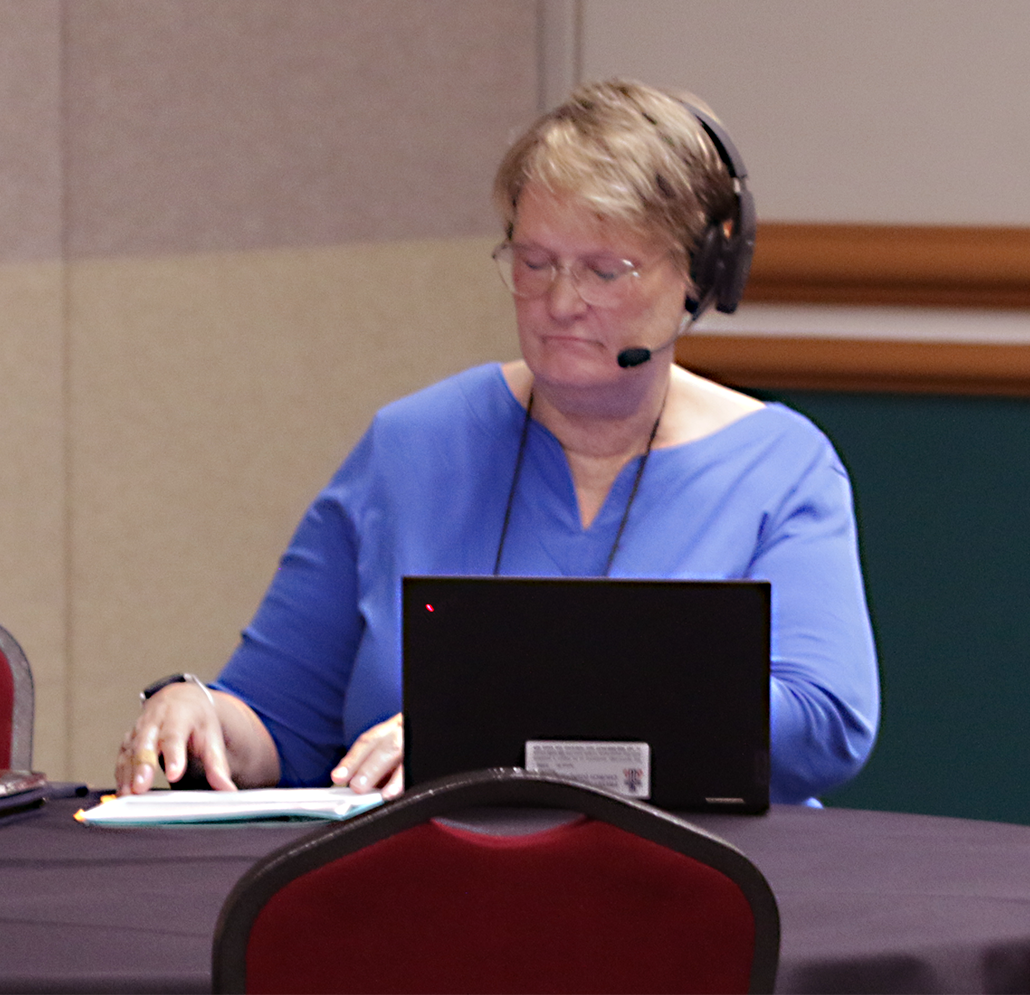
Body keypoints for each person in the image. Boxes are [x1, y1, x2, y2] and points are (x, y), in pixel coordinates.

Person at [116, 78, 879, 805]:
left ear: (699, 278)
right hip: (431, 892)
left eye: (605, 271)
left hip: (693, 891)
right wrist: (202, 716)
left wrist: (492, 730)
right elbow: (284, 720)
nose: (561, 302)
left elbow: (823, 725)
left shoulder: (779, 466)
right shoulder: (412, 445)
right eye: (534, 262)